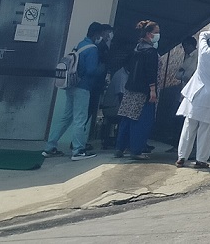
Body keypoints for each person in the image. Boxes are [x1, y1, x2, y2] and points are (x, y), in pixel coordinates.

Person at [43, 22, 108, 160]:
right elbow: (91, 70)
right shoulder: (92, 49)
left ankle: (50, 147)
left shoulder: (80, 45)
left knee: (66, 118)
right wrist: (102, 69)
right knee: (80, 119)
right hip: (83, 87)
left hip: (71, 85)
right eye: (102, 34)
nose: (103, 37)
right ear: (97, 34)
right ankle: (78, 151)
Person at [177, 16, 210, 168]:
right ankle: (201, 160)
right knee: (206, 129)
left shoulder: (204, 51)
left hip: (196, 93)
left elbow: (202, 35)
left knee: (189, 126)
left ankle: (181, 157)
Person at [116, 20, 161, 159]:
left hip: (130, 89)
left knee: (127, 118)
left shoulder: (136, 48)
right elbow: (151, 71)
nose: (158, 35)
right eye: (156, 33)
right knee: (141, 121)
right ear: (149, 34)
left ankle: (120, 148)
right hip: (144, 91)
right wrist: (152, 90)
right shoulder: (151, 51)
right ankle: (136, 150)